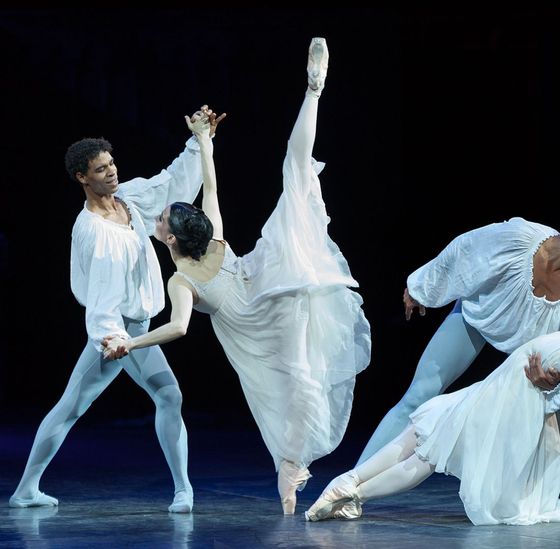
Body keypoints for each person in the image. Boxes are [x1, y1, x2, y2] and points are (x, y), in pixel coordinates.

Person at [101, 37, 371, 515]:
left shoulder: (182, 280)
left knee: (286, 392)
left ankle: (290, 471)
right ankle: (313, 94)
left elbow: (180, 328)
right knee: (296, 176)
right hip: (270, 283)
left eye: (160, 220)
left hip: (258, 326)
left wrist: (129, 343)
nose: (157, 220)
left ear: (168, 240)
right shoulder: (214, 235)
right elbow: (211, 180)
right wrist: (204, 139)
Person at [8, 105, 217, 512]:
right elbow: (102, 300)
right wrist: (116, 339)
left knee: (161, 397)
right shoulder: (94, 231)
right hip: (116, 331)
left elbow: (169, 183)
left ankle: (182, 490)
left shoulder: (127, 200)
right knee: (77, 407)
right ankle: (27, 490)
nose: (111, 171)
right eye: (101, 169)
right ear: (82, 178)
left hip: (135, 325)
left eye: (112, 163)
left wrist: (199, 141)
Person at [305, 319, 560, 525]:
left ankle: (350, 489)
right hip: (507, 388)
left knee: (428, 443)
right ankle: (350, 491)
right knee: (428, 437)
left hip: (509, 398)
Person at [358, 198, 560, 466]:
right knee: (419, 394)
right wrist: (422, 288)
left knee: (525, 417)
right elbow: (467, 248)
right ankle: (350, 482)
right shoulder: (522, 237)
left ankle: (558, 448)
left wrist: (554, 378)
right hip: (480, 312)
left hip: (527, 349)